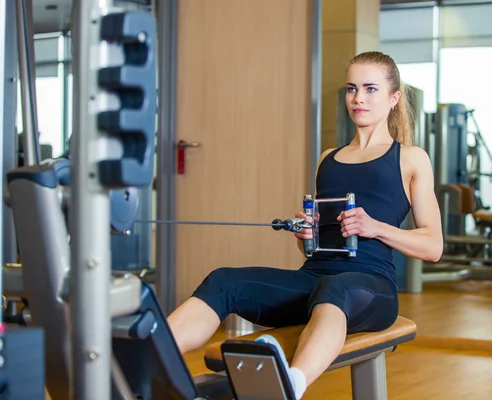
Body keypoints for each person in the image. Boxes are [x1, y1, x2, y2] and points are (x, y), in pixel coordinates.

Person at [167, 51, 443, 399]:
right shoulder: (328, 158)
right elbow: (313, 246)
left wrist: (375, 227)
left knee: (335, 289)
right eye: (351, 88)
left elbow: (434, 246)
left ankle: (288, 387)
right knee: (224, 280)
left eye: (371, 89)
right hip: (314, 281)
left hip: (370, 288)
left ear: (393, 98)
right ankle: (147, 369)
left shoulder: (410, 158)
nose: (358, 98)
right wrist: (307, 235)